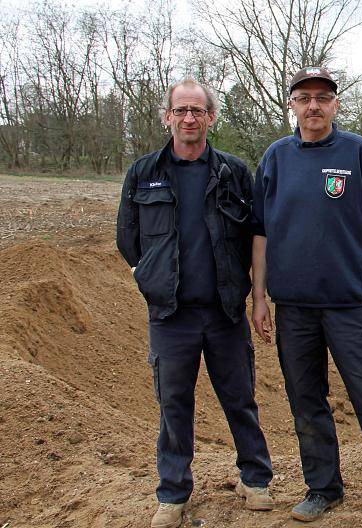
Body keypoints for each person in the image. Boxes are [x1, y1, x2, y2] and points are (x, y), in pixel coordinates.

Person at [250, 66, 362, 528]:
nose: (313, 106)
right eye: (304, 98)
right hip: (295, 309)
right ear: (291, 105)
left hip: (352, 307)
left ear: (336, 104)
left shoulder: (359, 153)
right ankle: (322, 489)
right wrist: (259, 296)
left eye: (322, 97)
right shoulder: (275, 158)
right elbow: (260, 232)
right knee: (306, 403)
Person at [116, 79, 274, 528]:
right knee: (174, 405)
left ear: (211, 118)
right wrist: (153, 277)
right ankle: (173, 494)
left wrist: (256, 296)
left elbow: (255, 235)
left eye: (198, 111)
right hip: (171, 315)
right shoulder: (143, 172)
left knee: (240, 399)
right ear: (167, 116)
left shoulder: (233, 172)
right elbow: (127, 238)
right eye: (181, 110)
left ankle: (255, 480)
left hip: (224, 311)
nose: (189, 118)